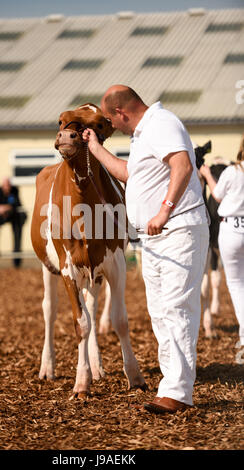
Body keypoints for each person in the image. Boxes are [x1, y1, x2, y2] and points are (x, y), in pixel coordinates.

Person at [82, 85, 209, 414]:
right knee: (161, 311)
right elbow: (128, 175)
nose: (114, 127)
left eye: (112, 121)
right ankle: (172, 385)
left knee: (177, 307)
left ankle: (178, 393)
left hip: (178, 227)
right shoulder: (141, 137)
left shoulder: (162, 123)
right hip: (153, 237)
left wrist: (165, 210)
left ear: (122, 112)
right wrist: (95, 148)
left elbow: (183, 165)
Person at [200, 135, 244, 364]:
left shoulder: (231, 172)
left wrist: (207, 175)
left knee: (236, 285)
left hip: (231, 230)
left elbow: (217, 196)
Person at [0, 177, 26, 268]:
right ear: (2, 186)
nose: (7, 187)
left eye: (8, 185)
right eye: (5, 185)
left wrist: (7, 207)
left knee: (17, 234)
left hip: (14, 216)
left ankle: (16, 260)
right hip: (2, 216)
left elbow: (18, 204)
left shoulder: (15, 190)